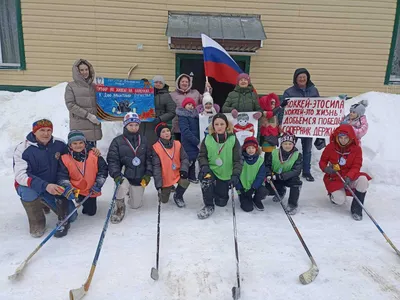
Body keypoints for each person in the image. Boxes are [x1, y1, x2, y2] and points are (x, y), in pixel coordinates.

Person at [13, 119, 78, 238]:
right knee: (28, 191)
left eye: (49, 130)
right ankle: (37, 221)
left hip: (54, 185)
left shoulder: (59, 144)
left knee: (72, 217)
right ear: (34, 132)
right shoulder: (22, 149)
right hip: (33, 187)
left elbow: (74, 155)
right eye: (42, 130)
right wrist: (45, 186)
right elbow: (21, 176)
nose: (46, 134)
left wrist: (93, 151)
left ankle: (45, 201)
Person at [107, 112, 153, 224]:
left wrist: (148, 174)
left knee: (135, 205)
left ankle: (131, 192)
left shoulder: (144, 140)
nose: (134, 127)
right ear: (125, 125)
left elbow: (149, 158)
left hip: (139, 176)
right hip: (125, 175)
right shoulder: (117, 141)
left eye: (136, 125)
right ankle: (119, 206)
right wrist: (117, 175)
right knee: (122, 186)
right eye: (131, 125)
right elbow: (113, 161)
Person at [319, 124, 372, 221]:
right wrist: (326, 169)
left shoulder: (356, 149)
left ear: (350, 138)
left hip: (350, 176)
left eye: (346, 138)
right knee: (340, 200)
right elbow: (322, 161)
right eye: (340, 138)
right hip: (335, 177)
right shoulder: (331, 147)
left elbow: (356, 166)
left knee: (363, 181)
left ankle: (356, 209)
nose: (343, 140)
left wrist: (349, 176)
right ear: (337, 137)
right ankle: (333, 196)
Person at [197, 113, 242, 219]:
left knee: (221, 202)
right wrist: (204, 166)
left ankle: (217, 192)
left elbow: (238, 159)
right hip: (211, 170)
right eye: (216, 124)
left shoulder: (233, 139)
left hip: (225, 172)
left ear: (226, 125)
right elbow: (202, 155)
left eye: (222, 124)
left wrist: (236, 174)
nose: (219, 127)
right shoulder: (207, 138)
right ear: (213, 126)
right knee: (206, 180)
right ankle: (208, 205)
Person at [281, 68, 320, 182]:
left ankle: (306, 171)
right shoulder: (289, 92)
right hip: (293, 126)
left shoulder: (314, 91)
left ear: (307, 78)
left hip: (308, 126)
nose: (302, 79)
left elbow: (319, 107)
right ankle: (288, 169)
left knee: (307, 149)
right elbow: (283, 109)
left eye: (304, 77)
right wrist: (282, 124)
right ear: (295, 79)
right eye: (299, 77)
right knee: (289, 147)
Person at [65, 59, 102, 146]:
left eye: (86, 69)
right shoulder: (71, 86)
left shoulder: (94, 86)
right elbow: (70, 105)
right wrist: (88, 115)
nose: (85, 72)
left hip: (93, 126)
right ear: (77, 71)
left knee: (92, 155)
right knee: (80, 154)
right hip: (79, 126)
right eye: (81, 70)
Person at [152, 122, 190, 207]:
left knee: (185, 182)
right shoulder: (156, 147)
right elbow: (156, 167)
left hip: (177, 172)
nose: (166, 133)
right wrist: (158, 184)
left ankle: (178, 196)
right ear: (159, 135)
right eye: (163, 132)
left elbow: (184, 158)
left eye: (168, 130)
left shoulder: (177, 143)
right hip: (165, 176)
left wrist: (184, 169)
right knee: (164, 200)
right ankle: (166, 189)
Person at [265, 132, 303, 215]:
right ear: (281, 144)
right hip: (275, 175)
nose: (287, 146)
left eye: (290, 144)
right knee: (267, 188)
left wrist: (281, 176)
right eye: (285, 143)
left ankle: (292, 205)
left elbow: (296, 171)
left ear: (293, 144)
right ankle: (281, 191)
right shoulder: (274, 152)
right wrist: (268, 174)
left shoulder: (297, 155)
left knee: (296, 182)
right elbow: (267, 165)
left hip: (288, 177)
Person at [170, 73, 211, 141]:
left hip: (194, 126)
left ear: (189, 83)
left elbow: (205, 101)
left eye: (186, 82)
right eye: (182, 81)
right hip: (178, 127)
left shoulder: (195, 93)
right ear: (178, 83)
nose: (184, 83)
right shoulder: (172, 95)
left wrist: (207, 89)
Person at [139, 75, 176, 145]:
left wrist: (160, 119)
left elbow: (172, 112)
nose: (158, 84)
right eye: (156, 82)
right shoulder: (144, 94)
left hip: (157, 126)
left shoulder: (167, 96)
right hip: (142, 125)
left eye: (160, 83)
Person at [235, 137, 268, 212]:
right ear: (244, 149)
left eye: (253, 148)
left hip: (254, 187)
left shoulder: (260, 160)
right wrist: (240, 188)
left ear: (256, 149)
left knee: (264, 191)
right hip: (243, 188)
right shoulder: (240, 160)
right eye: (248, 148)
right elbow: (236, 175)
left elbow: (261, 176)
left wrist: (253, 188)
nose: (251, 150)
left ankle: (256, 200)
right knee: (248, 208)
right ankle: (243, 198)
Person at [258, 93, 287, 164]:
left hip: (273, 137)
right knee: (268, 154)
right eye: (270, 103)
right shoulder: (264, 113)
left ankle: (268, 168)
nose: (272, 105)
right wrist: (280, 107)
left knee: (271, 154)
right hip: (267, 138)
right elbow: (272, 114)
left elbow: (275, 122)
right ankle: (266, 168)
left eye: (274, 103)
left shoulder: (274, 114)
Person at [176, 97, 200, 183]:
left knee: (193, 159)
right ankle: (184, 176)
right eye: (189, 104)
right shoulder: (183, 117)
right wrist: (196, 141)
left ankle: (192, 176)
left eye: (192, 105)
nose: (191, 106)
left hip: (194, 141)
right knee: (188, 159)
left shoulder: (195, 116)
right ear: (184, 106)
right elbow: (185, 131)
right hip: (188, 142)